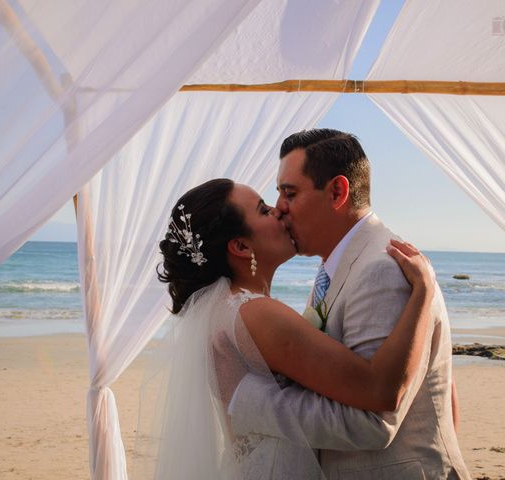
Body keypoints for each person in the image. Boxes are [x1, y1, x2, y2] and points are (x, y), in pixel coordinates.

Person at [140, 176, 437, 480]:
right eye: (263, 210)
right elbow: (377, 391)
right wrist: (424, 292)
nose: (278, 210)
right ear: (241, 246)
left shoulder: (224, 312)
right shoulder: (256, 313)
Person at [228, 129, 471, 479]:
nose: (279, 207)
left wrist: (250, 403)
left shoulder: (382, 269)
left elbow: (375, 418)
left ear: (338, 192)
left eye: (289, 192)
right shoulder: (338, 264)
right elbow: (446, 393)